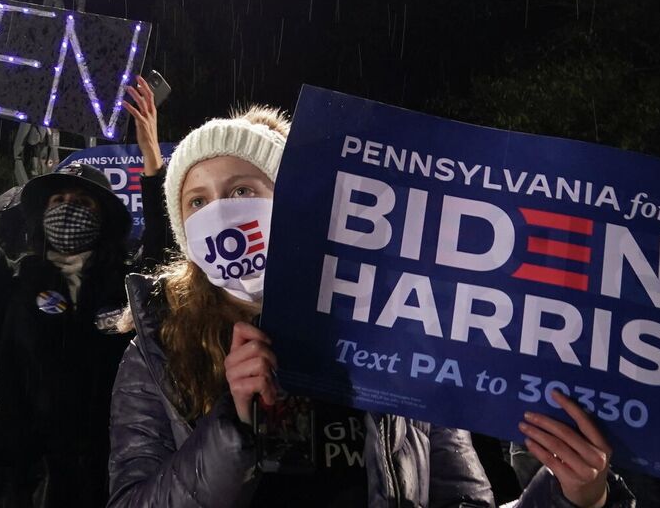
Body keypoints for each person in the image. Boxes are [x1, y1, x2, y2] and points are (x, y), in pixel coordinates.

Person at [109, 110, 631, 507]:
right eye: (197, 201)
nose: (220, 212)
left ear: (293, 201)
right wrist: (232, 426)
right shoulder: (157, 349)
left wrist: (573, 495)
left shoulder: (396, 333)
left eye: (242, 189)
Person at [0, 78, 134, 508]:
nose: (66, 208)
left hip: (105, 480)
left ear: (105, 222)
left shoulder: (129, 290)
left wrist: (153, 160)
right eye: (58, 200)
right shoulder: (17, 285)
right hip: (22, 485)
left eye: (82, 204)